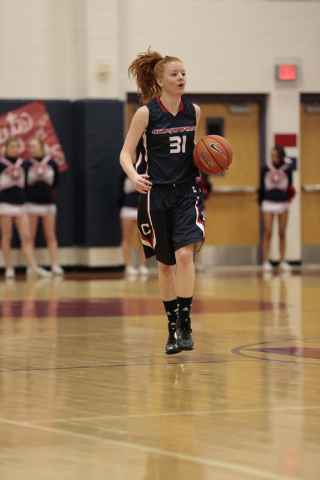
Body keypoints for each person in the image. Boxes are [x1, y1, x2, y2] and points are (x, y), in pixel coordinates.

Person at [120, 48, 205, 354]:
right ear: (160, 79)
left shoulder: (193, 111)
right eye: (174, 74)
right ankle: (171, 329)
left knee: (185, 256)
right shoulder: (146, 113)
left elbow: (194, 148)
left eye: (183, 73)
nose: (181, 78)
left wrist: (208, 159)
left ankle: (185, 324)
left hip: (186, 192)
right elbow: (125, 153)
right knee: (166, 266)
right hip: (155, 194)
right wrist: (133, 175)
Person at [0, 136, 51, 278]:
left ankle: (33, 267)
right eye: (11, 147)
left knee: (27, 236)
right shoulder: (1, 164)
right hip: (5, 203)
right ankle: (9, 268)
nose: (14, 149)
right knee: (7, 237)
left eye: (16, 146)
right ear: (6, 148)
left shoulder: (24, 165)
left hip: (21, 203)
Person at [23, 137, 64, 275]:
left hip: (48, 204)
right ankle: (31, 266)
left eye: (34, 146)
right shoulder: (26, 165)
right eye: (30, 146)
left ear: (41, 146)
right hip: (31, 204)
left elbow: (55, 182)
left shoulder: (52, 163)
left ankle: (54, 265)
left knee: (50, 235)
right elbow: (24, 184)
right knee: (31, 236)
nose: (32, 149)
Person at [258, 146, 294, 272]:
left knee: (282, 232)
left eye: (275, 155)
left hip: (283, 203)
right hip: (268, 203)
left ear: (281, 156)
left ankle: (282, 261)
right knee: (268, 232)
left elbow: (290, 187)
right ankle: (266, 261)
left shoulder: (288, 170)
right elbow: (261, 187)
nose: (273, 158)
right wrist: (260, 200)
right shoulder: (265, 168)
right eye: (271, 155)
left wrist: (289, 200)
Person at [120, 174, 149, 275]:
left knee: (144, 238)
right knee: (126, 238)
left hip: (142, 207)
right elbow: (119, 190)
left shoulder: (147, 170)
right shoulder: (124, 173)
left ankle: (142, 265)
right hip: (127, 207)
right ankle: (128, 265)